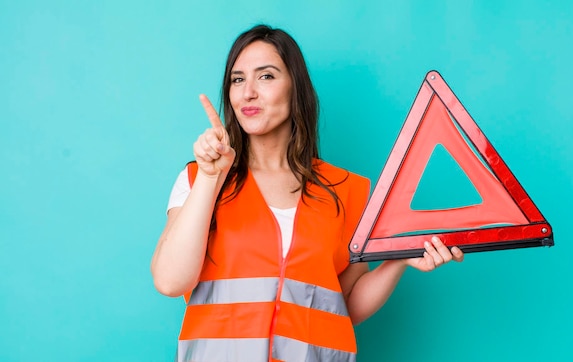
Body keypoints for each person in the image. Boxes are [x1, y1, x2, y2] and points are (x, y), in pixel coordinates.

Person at [151, 24, 464, 362]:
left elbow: (342, 307)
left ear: (295, 88)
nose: (248, 93)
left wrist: (397, 260)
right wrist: (212, 177)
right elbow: (170, 280)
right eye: (238, 79)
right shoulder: (199, 177)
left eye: (266, 77)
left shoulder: (346, 191)